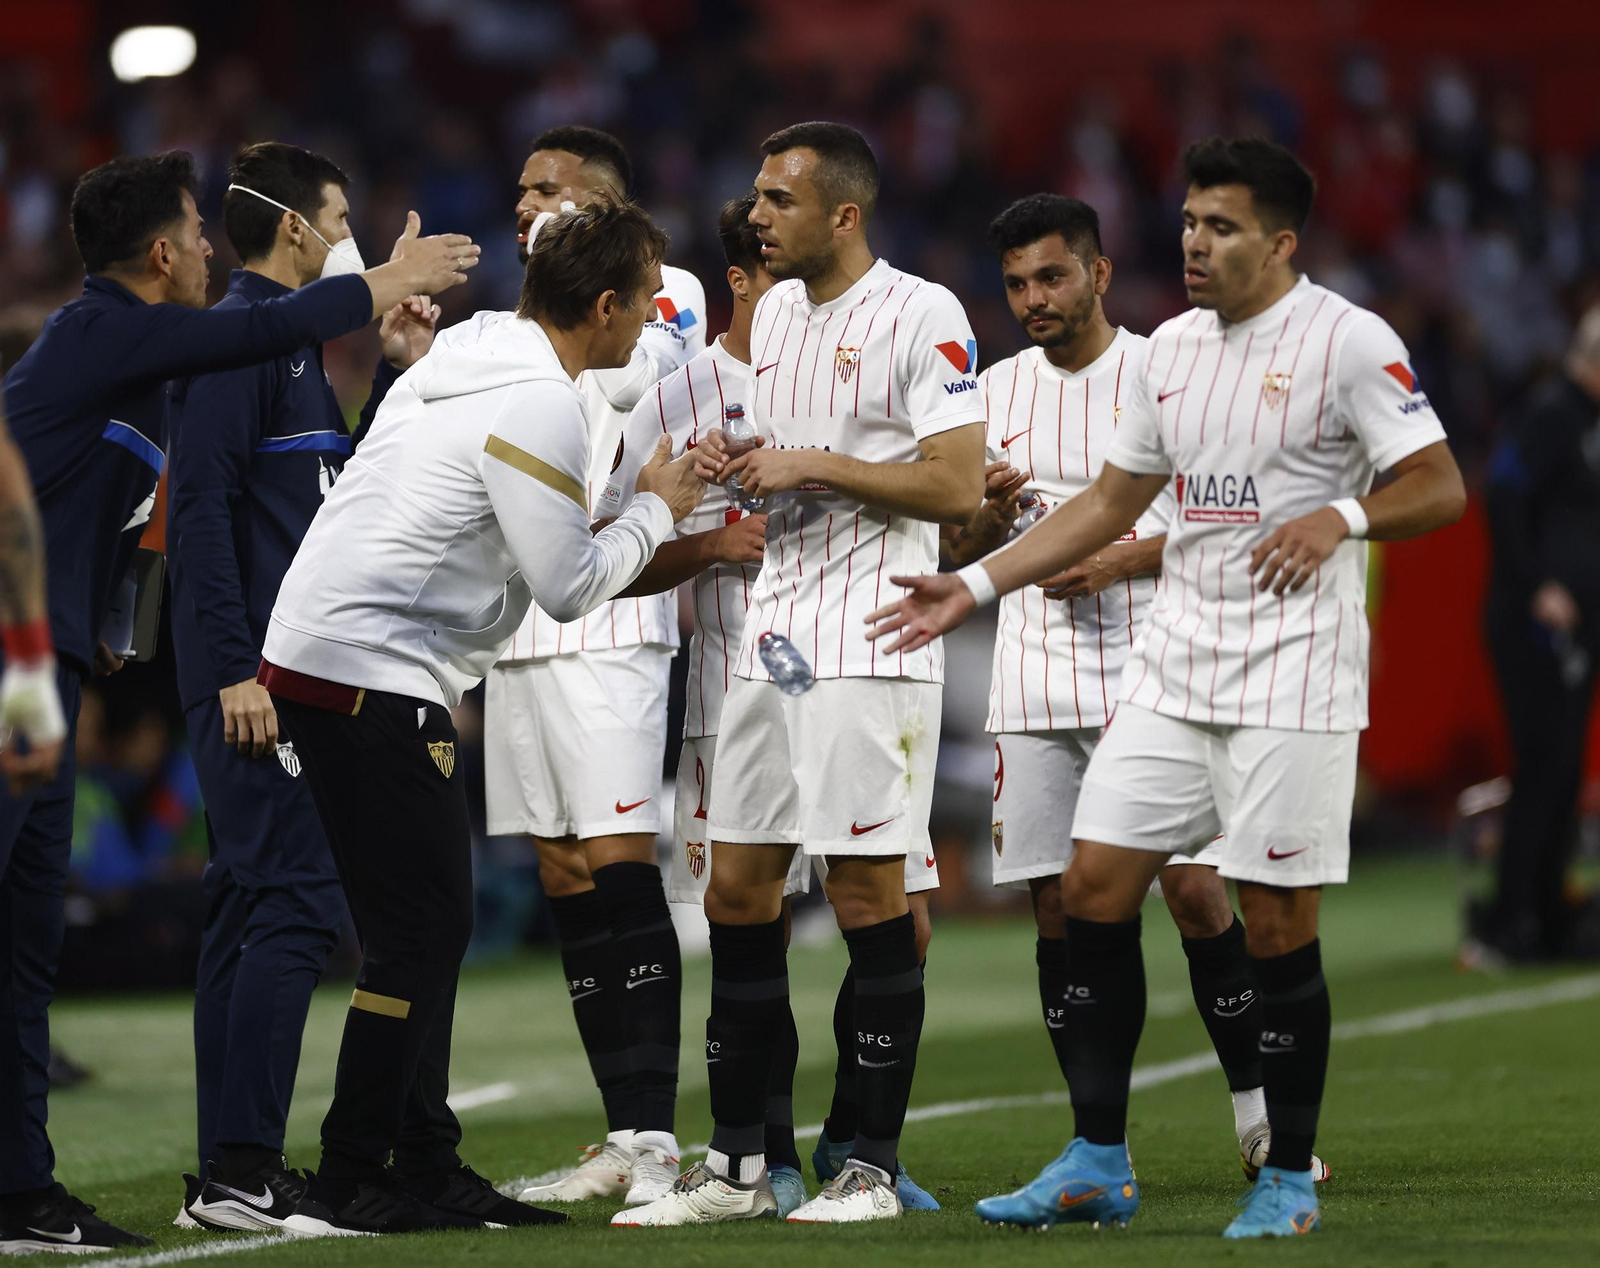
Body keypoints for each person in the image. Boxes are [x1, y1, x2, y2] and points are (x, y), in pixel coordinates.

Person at [866, 137, 1465, 1239]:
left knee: (1273, 917)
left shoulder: (1346, 340)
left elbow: (1436, 481)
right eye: (1189, 221)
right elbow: (1109, 497)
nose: (1194, 242)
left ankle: (1283, 1169)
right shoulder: (1172, 353)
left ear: (1280, 242)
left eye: (1222, 226)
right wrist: (973, 579)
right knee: (1090, 886)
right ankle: (1098, 1154)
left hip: (1291, 673)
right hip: (1175, 666)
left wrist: (1344, 513)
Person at [0, 150, 476, 1256]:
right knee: (286, 894)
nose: (211, 247)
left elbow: (131, 503)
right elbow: (221, 453)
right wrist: (383, 277)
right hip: (27, 662)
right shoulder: (111, 330)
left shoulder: (139, 360)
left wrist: (114, 619)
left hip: (50, 665)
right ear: (160, 251)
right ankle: (237, 1168)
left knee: (26, 944)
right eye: (194, 234)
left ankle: (22, 1192)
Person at [258, 196, 705, 1237]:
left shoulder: (474, 346)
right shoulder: (540, 403)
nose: (647, 320)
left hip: (326, 650)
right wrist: (655, 504)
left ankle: (423, 1162)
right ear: (601, 305)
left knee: (421, 928)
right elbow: (565, 582)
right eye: (642, 302)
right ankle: (349, 1173)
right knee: (420, 932)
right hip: (372, 667)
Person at [624, 121, 985, 1227]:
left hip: (873, 636)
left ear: (842, 213)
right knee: (737, 889)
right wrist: (743, 468)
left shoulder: (923, 312)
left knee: (868, 892)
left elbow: (956, 485)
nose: (756, 213)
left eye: (778, 198)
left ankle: (867, 1166)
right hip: (771, 640)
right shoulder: (771, 314)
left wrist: (811, 463)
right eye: (755, 194)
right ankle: (738, 1164)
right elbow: (786, 463)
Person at [944, 194, 1325, 1232]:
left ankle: (1257, 1115)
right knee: (1057, 908)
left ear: (1100, 273)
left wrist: (1120, 553)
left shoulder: (1172, 371)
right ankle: (1089, 1146)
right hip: (1032, 680)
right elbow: (961, 541)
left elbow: (1236, 513)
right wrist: (981, 514)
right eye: (1018, 283)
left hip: (1158, 668)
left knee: (1197, 891)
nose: (1034, 300)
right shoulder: (993, 390)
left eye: (1052, 277)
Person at [166, 142, 444, 1232]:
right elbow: (197, 516)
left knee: (245, 907)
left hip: (279, 670)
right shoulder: (241, 345)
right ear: (295, 227)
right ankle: (242, 1166)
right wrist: (237, 665)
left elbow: (327, 502)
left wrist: (388, 374)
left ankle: (227, 1168)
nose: (350, 236)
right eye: (338, 215)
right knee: (292, 898)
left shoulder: (287, 355)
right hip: (258, 677)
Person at [492, 126, 707, 1209]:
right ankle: (623, 1129)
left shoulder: (667, 295)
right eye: (521, 188)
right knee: (563, 870)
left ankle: (664, 1139)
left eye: (546, 190)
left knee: (622, 860)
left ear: (601, 202)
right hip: (524, 614)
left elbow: (643, 386)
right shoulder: (513, 321)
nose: (522, 202)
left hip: (617, 612)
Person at [1473, 305, 1600, 964]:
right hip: (1533, 625)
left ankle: (1551, 914)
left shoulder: (1587, 420)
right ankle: (1508, 921)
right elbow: (1503, 494)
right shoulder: (1553, 413)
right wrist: (1538, 586)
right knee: (1543, 769)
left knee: (1564, 770)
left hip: (1577, 628)